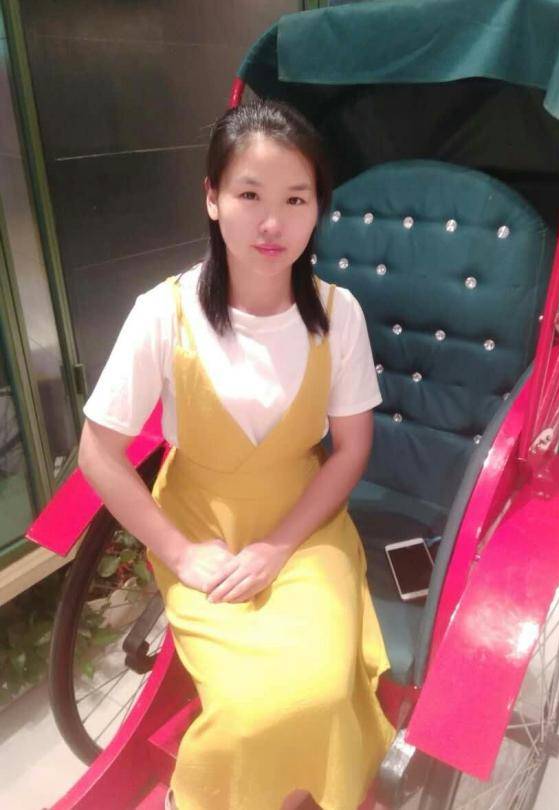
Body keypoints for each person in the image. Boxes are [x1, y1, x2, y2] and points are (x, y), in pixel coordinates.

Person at [78, 100, 397, 810]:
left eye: (296, 199)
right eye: (250, 195)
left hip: (306, 527)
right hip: (199, 528)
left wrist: (278, 548)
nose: (272, 223)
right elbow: (98, 450)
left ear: (318, 210)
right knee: (253, 708)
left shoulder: (338, 313)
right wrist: (179, 551)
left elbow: (351, 450)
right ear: (212, 198)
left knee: (318, 689)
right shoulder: (163, 313)